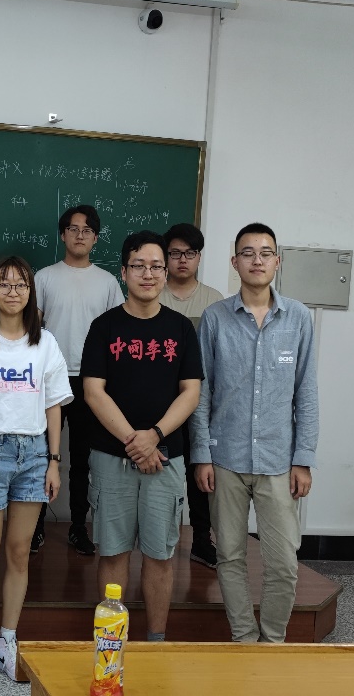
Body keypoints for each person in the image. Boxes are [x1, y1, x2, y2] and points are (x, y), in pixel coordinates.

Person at [191, 223, 318, 644]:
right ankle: (244, 639)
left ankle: (273, 641)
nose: (257, 260)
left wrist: (303, 458)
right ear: (235, 262)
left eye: (266, 253)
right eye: (248, 253)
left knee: (283, 562)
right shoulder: (215, 318)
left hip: (279, 461)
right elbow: (202, 392)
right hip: (224, 457)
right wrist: (201, 454)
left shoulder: (298, 318)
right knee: (229, 556)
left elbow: (307, 393)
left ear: (277, 261)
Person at [0, 255, 72, 684]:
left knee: (19, 551)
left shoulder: (45, 342)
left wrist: (54, 461)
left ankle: (8, 638)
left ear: (30, 292)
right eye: (4, 284)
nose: (12, 292)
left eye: (20, 285)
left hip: (34, 454)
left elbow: (54, 404)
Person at [81, 231, 202, 643]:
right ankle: (110, 642)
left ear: (166, 273)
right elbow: (93, 391)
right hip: (111, 457)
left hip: (165, 457)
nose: (147, 274)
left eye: (155, 267)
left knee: (160, 554)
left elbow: (191, 392)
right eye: (138, 266)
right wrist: (136, 442)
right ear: (123, 272)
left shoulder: (181, 328)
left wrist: (155, 435)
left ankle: (155, 642)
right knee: (112, 551)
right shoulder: (104, 327)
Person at [34, 205, 124, 556]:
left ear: (96, 238)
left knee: (82, 458)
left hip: (92, 381)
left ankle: (77, 528)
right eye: (73, 229)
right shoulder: (44, 277)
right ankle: (35, 527)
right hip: (50, 380)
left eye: (87, 230)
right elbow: (33, 330)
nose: (80, 235)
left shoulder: (107, 282)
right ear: (63, 234)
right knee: (44, 454)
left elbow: (117, 333)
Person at [158, 222, 224, 568]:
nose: (182, 260)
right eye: (175, 253)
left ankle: (201, 540)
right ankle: (159, 541)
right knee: (162, 475)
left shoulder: (214, 301)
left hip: (201, 404)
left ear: (199, 257)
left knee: (200, 473)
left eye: (190, 253)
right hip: (160, 405)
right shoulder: (153, 294)